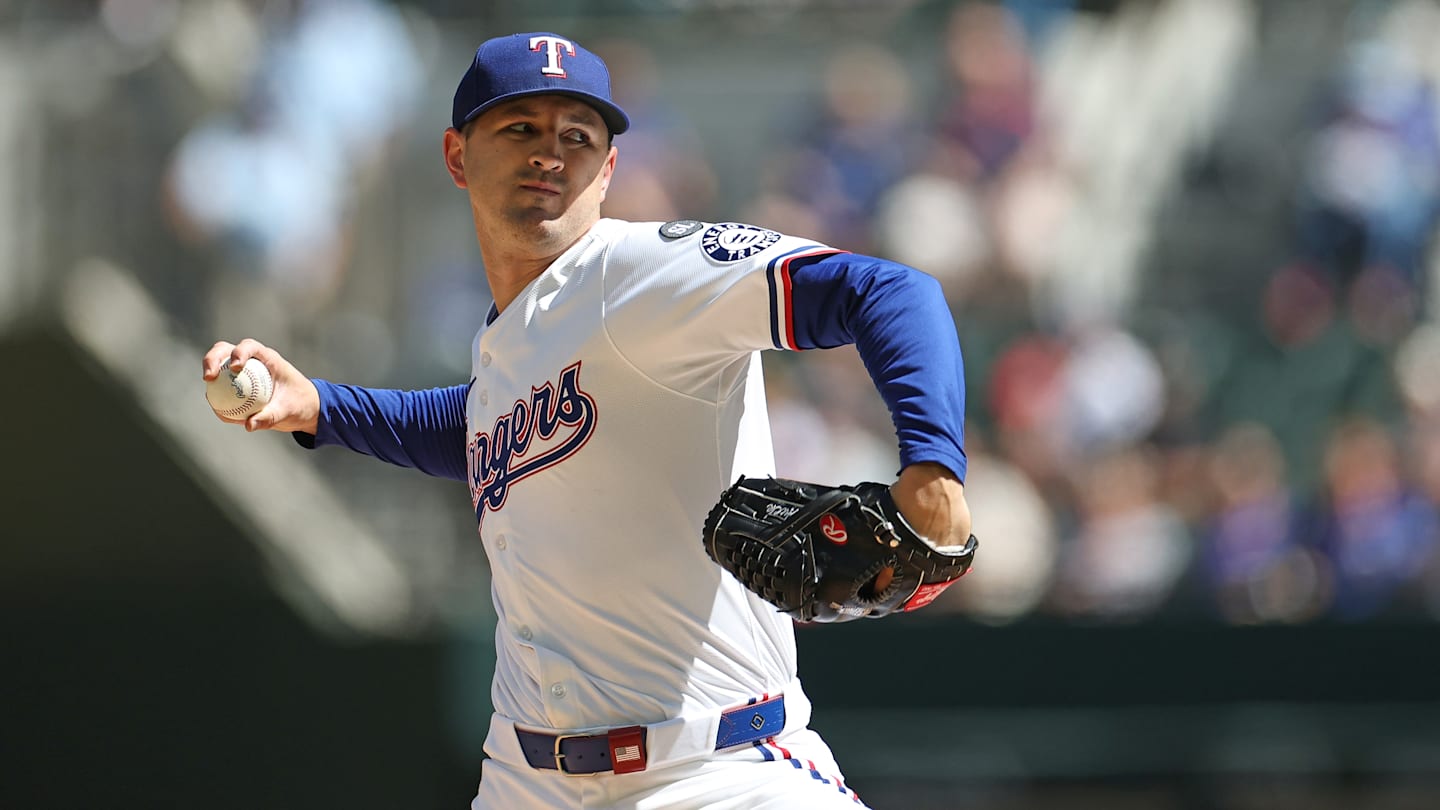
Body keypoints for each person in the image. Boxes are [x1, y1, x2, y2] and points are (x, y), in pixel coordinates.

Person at [203, 32, 972, 810]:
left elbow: (892, 293)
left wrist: (934, 469)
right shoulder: (511, 332)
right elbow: (480, 427)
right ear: (456, 155)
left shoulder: (642, 273)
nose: (550, 154)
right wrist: (327, 408)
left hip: (716, 772)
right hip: (526, 779)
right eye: (521, 128)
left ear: (608, 170)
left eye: (578, 136)